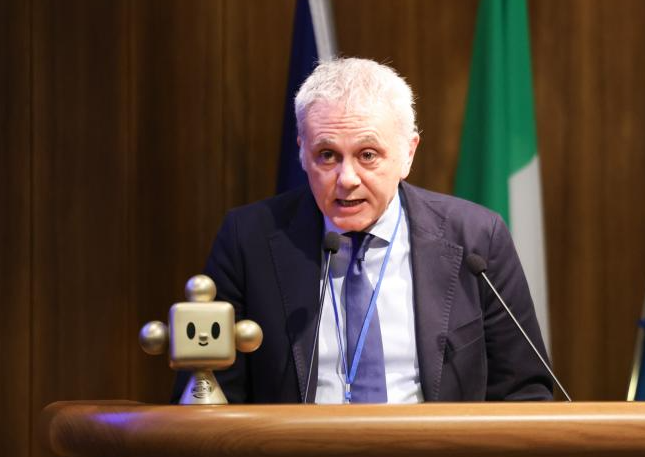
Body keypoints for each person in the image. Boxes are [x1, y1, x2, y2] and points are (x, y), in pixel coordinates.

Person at [178, 58, 553, 403]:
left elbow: (525, 391)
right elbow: (207, 391)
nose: (347, 179)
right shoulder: (248, 240)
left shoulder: (476, 238)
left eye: (367, 155)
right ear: (302, 152)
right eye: (327, 155)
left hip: (434, 453)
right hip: (297, 454)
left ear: (408, 154)